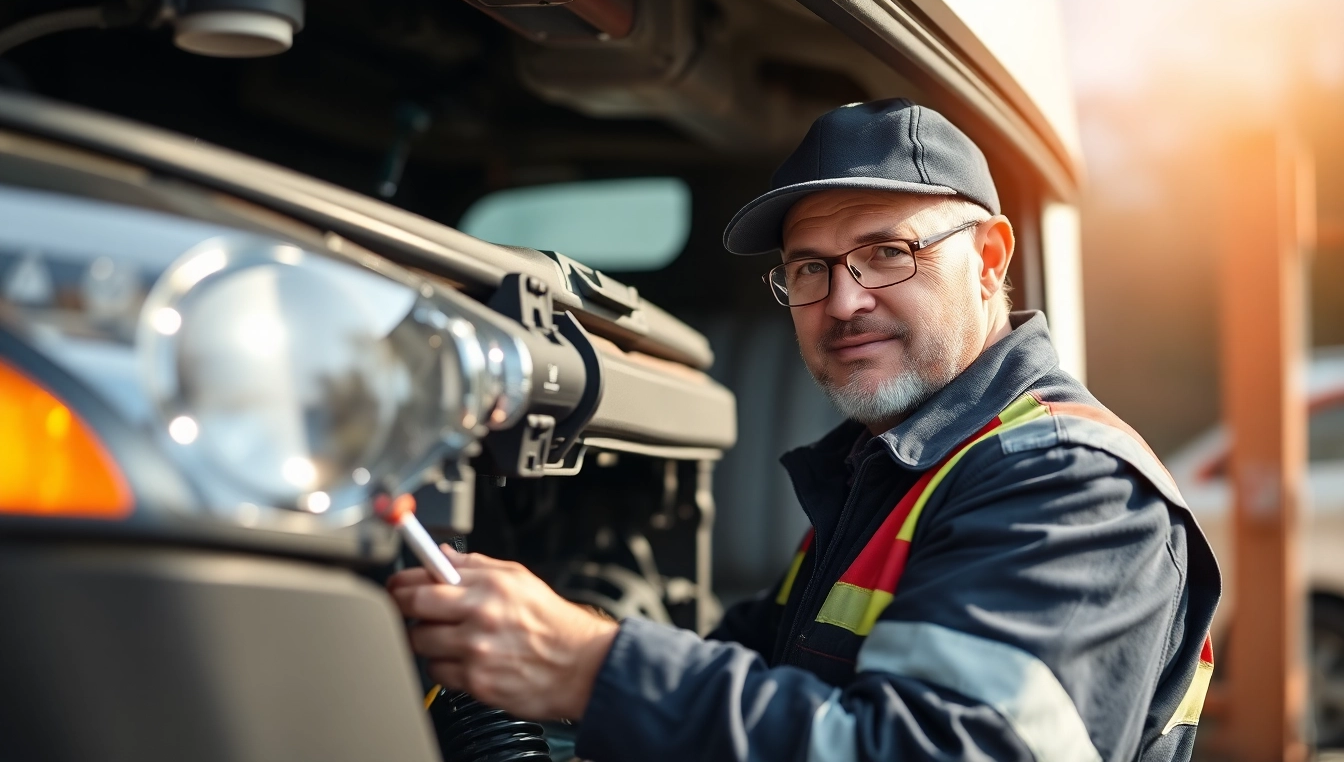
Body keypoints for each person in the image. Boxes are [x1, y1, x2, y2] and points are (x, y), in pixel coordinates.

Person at [388, 98, 1221, 762]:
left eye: (888, 252)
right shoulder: (883, 476)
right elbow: (768, 685)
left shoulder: (1073, 485)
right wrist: (536, 630)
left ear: (992, 260)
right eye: (809, 268)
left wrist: (584, 666)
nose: (844, 300)